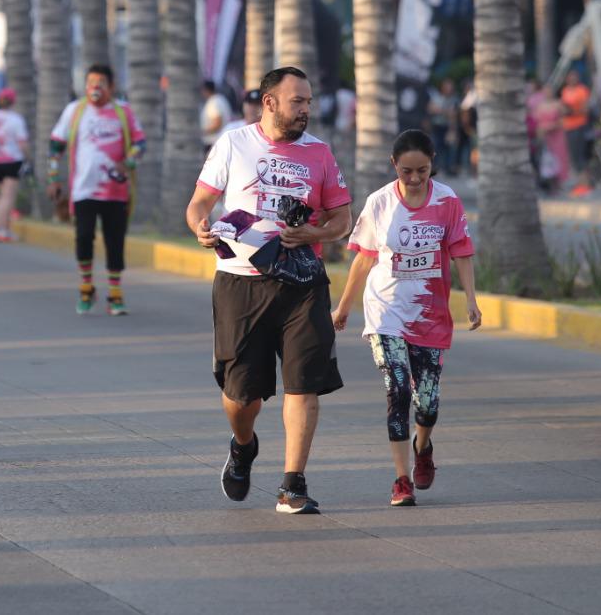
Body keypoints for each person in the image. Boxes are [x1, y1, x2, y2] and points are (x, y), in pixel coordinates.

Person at [185, 66, 351, 515]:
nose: (305, 110)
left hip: (302, 282)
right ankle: (243, 445)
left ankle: (292, 484)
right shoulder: (234, 143)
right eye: (297, 101)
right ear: (270, 102)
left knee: (303, 384)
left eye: (309, 102)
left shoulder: (319, 153)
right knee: (243, 396)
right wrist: (200, 225)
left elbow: (341, 219)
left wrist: (314, 233)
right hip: (241, 279)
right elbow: (200, 201)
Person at [332, 129, 481, 508]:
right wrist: (345, 307)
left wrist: (471, 301)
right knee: (397, 389)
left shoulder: (447, 201)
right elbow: (364, 258)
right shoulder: (380, 203)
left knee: (427, 404)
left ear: (433, 164)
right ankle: (401, 479)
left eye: (423, 171)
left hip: (431, 313)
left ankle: (423, 445)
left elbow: (461, 251)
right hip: (386, 311)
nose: (414, 179)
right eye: (406, 172)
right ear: (394, 166)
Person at [50, 64, 146, 317]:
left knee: (115, 242)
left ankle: (115, 294)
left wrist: (130, 161)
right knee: (83, 238)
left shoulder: (123, 112)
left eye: (101, 82)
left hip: (116, 191)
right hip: (83, 190)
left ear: (111, 87)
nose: (95, 87)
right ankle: (86, 288)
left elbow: (139, 142)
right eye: (91, 81)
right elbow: (56, 144)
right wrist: (53, 177)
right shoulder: (75, 111)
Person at [0, 87, 28, 242]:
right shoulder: (16, 119)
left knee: (3, 196)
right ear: (13, 101)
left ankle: (4, 229)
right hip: (12, 161)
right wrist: (28, 159)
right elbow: (22, 143)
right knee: (7, 198)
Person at [560, 71, 592, 177]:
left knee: (580, 154)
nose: (572, 79)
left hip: (579, 125)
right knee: (573, 155)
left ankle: (585, 181)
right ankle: (580, 180)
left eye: (574, 77)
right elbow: (563, 107)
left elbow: (585, 109)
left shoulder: (582, 90)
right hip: (568, 126)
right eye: (570, 77)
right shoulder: (565, 91)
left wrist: (572, 112)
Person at [201, 81, 233, 148]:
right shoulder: (221, 99)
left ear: (206, 90)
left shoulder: (214, 102)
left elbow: (217, 123)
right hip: (220, 141)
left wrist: (200, 132)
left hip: (213, 142)